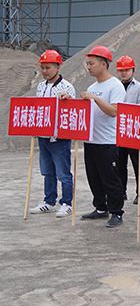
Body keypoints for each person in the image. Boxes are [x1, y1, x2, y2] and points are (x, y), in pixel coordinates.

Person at [79, 46, 127, 229]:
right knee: (94, 177)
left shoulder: (115, 86)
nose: (88, 67)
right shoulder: (93, 87)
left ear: (103, 64)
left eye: (91, 63)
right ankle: (100, 207)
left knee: (110, 178)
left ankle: (116, 212)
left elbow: (115, 111)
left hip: (107, 142)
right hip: (91, 140)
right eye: (87, 64)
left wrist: (95, 99)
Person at [30, 50, 75, 218]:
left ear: (58, 67)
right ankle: (49, 201)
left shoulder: (67, 87)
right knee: (47, 171)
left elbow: (72, 111)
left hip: (59, 138)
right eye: (42, 68)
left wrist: (69, 100)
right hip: (43, 136)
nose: (45, 71)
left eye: (48, 67)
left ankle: (67, 203)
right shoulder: (41, 86)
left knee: (63, 172)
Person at [115, 55, 140, 205]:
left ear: (133, 70)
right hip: (119, 130)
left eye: (126, 70)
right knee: (120, 163)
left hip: (134, 131)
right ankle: (121, 192)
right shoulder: (115, 86)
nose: (124, 73)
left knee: (137, 163)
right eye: (121, 70)